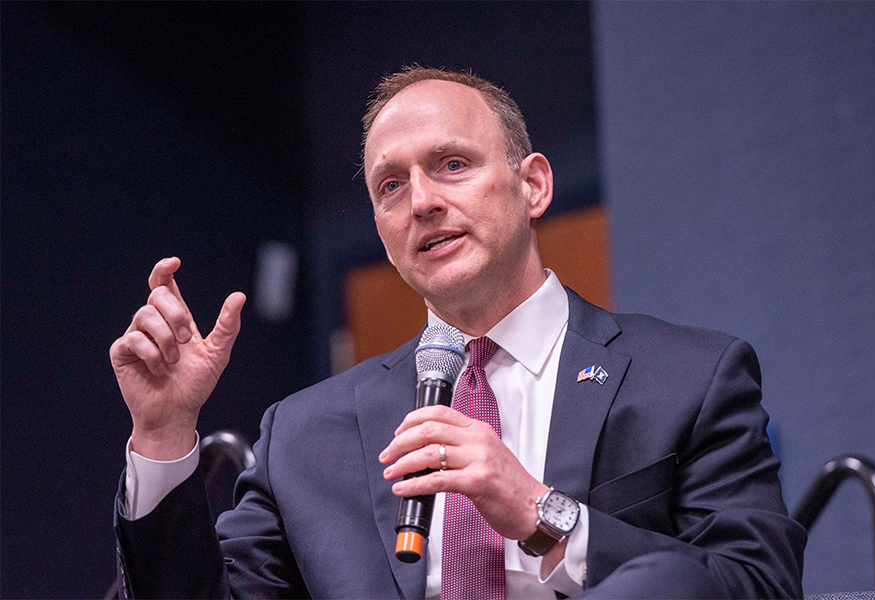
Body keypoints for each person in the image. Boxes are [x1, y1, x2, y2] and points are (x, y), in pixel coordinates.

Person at [111, 66, 806, 599]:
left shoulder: (688, 378)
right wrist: (165, 437)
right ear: (382, 232)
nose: (422, 201)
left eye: (452, 164)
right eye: (390, 185)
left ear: (532, 185)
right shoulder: (303, 434)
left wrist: (542, 511)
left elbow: (758, 585)